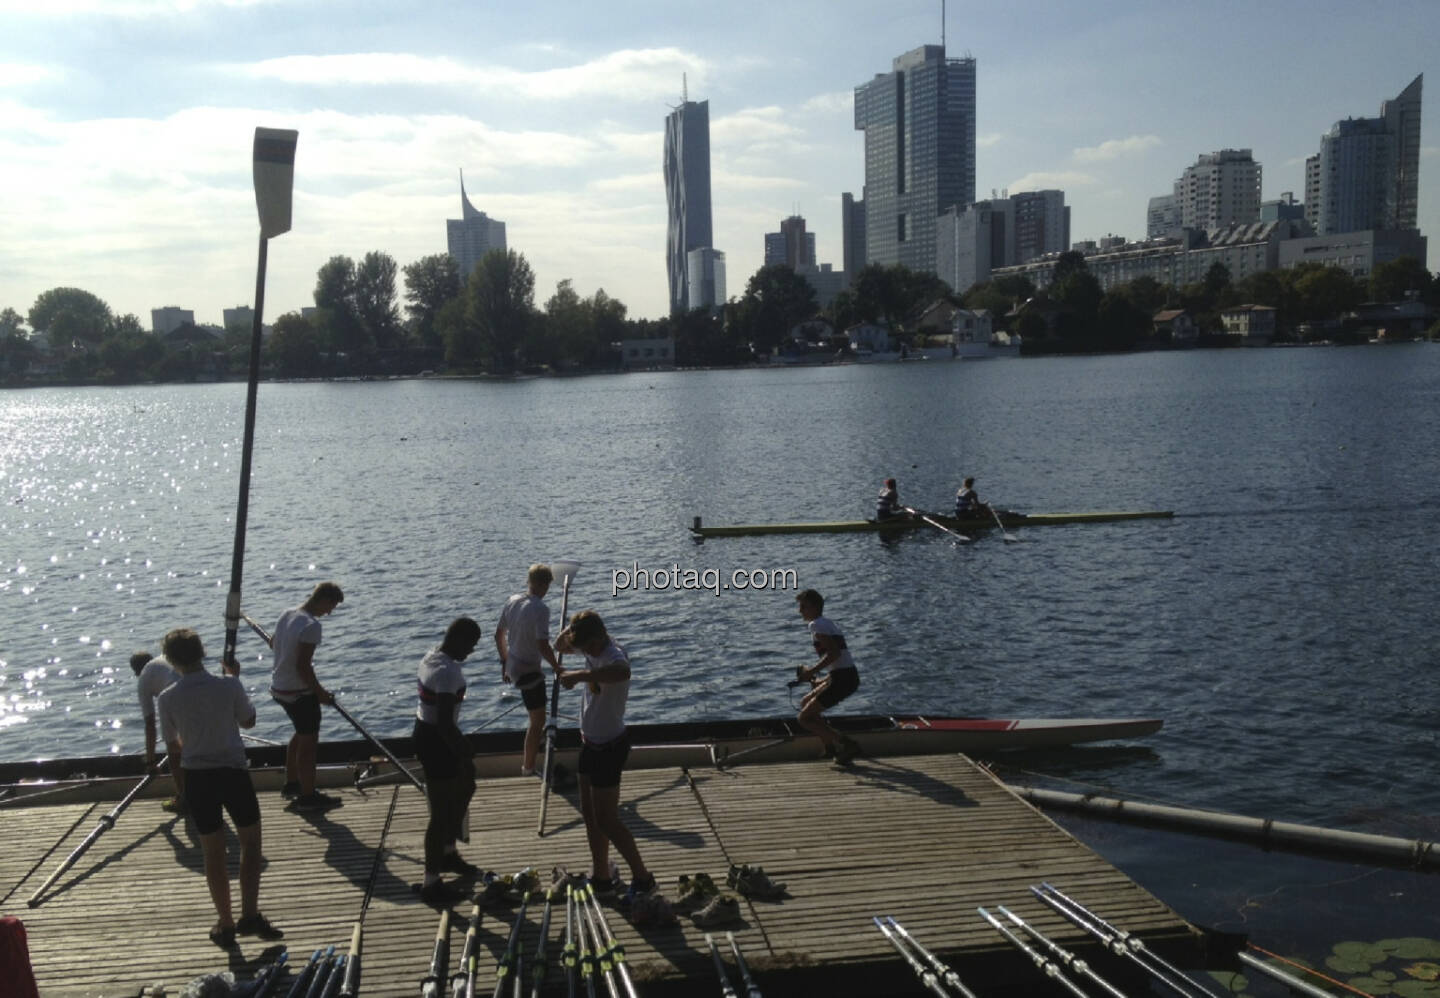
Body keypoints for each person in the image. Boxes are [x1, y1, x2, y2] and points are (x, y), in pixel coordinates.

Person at [156, 627, 282, 949]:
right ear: (202, 652)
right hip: (232, 773)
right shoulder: (228, 685)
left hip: (198, 778)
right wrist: (234, 679)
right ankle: (249, 915)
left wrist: (182, 788)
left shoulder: (167, 698)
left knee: (213, 853)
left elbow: (174, 746)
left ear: (170, 660)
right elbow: (249, 722)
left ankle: (225, 923)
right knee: (251, 844)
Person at [555, 610, 655, 900]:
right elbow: (560, 646)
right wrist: (571, 626)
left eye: (589, 647)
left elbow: (623, 673)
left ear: (600, 637)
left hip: (610, 746)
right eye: (583, 648)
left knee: (608, 820)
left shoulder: (613, 655)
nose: (585, 652)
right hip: (589, 742)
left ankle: (643, 877)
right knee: (590, 815)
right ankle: (601, 875)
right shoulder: (590, 644)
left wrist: (580, 675)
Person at [414, 617, 481, 905]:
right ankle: (431, 882)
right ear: (459, 640)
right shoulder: (448, 674)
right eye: (471, 645)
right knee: (440, 814)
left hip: (425, 731)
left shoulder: (431, 657)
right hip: (437, 739)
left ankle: (449, 852)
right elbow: (443, 721)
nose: (471, 652)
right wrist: (462, 749)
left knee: (466, 786)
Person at [269, 581, 344, 808]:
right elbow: (303, 666)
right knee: (309, 745)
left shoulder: (288, 613)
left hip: (278, 687)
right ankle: (308, 796)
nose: (329, 612)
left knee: (302, 733)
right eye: (330, 606)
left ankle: (292, 783)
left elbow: (274, 643)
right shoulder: (312, 626)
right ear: (322, 599)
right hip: (298, 692)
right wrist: (320, 693)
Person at [493, 564, 561, 776]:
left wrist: (504, 663)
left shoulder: (513, 601)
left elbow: (498, 635)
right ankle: (528, 768)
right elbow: (543, 645)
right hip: (529, 671)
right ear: (542, 584)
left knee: (537, 717)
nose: (547, 589)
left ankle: (535, 754)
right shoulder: (540, 608)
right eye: (547, 585)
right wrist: (558, 667)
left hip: (513, 666)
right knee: (537, 722)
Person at [794, 589, 861, 765]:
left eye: (803, 607)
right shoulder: (828, 623)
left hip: (843, 680)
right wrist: (820, 681)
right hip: (843, 676)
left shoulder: (816, 625)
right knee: (804, 703)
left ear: (815, 607)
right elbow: (839, 661)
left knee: (803, 718)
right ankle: (830, 747)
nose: (800, 611)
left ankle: (846, 744)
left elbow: (834, 654)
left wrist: (810, 672)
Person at [132, 650, 185, 810]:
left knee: (174, 750)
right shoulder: (164, 659)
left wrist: (150, 762)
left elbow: (150, 724)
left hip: (175, 697)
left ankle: (183, 798)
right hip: (196, 689)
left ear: (136, 671)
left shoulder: (143, 679)